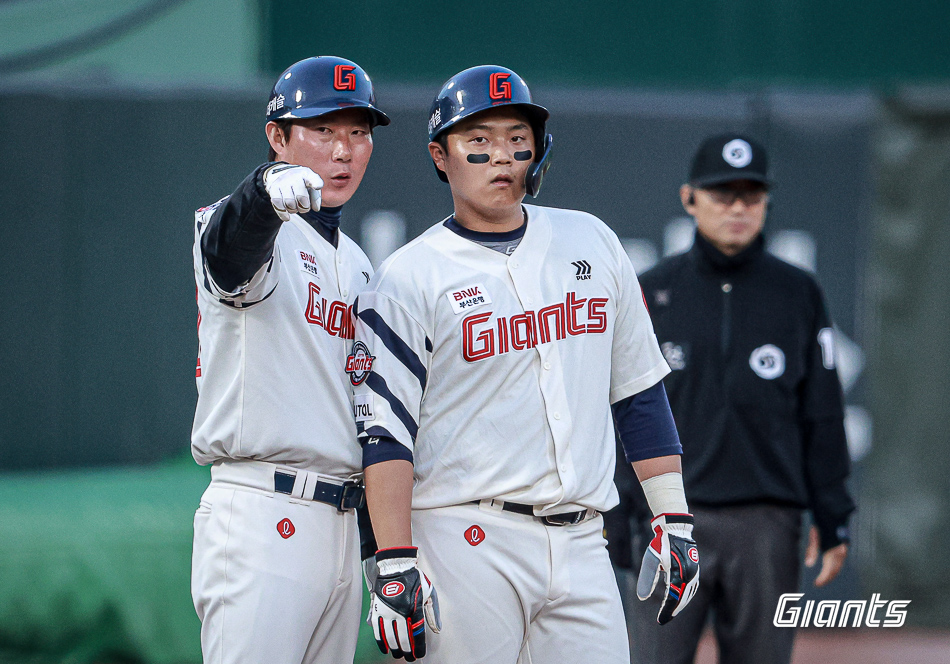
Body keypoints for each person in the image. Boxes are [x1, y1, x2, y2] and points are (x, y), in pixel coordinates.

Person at [349, 65, 700, 664]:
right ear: (441, 155)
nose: (502, 156)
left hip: (586, 538)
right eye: (478, 142)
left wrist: (674, 516)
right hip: (465, 537)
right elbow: (386, 433)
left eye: (517, 138)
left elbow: (639, 392)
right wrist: (393, 558)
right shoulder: (411, 274)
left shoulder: (591, 240)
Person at [626, 133, 856, 664]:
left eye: (750, 195)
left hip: (766, 524)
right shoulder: (650, 291)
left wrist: (833, 511)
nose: (736, 207)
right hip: (669, 518)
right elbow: (620, 410)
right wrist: (621, 515)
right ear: (689, 198)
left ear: (766, 202)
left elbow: (821, 411)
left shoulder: (798, 292)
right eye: (721, 193)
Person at [189, 56, 390, 664]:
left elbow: (365, 407)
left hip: (339, 523)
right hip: (261, 509)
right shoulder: (244, 222)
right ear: (278, 137)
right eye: (323, 130)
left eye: (358, 132)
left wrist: (380, 553)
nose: (344, 150)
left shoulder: (358, 263)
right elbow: (228, 253)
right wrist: (259, 193)